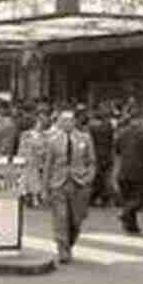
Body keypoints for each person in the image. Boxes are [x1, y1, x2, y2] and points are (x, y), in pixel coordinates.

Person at [41, 111, 96, 264]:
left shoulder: (85, 138)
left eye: (70, 120)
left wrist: (89, 178)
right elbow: (48, 166)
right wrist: (45, 188)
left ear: (74, 122)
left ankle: (69, 242)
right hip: (58, 183)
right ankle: (63, 249)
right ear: (59, 122)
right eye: (64, 121)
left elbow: (91, 161)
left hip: (79, 183)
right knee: (61, 217)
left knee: (76, 219)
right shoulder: (53, 141)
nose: (67, 123)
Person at [113, 109, 143, 234]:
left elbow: (117, 149)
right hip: (140, 170)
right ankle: (125, 213)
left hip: (124, 169)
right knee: (139, 198)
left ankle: (132, 225)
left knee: (128, 197)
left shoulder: (122, 133)